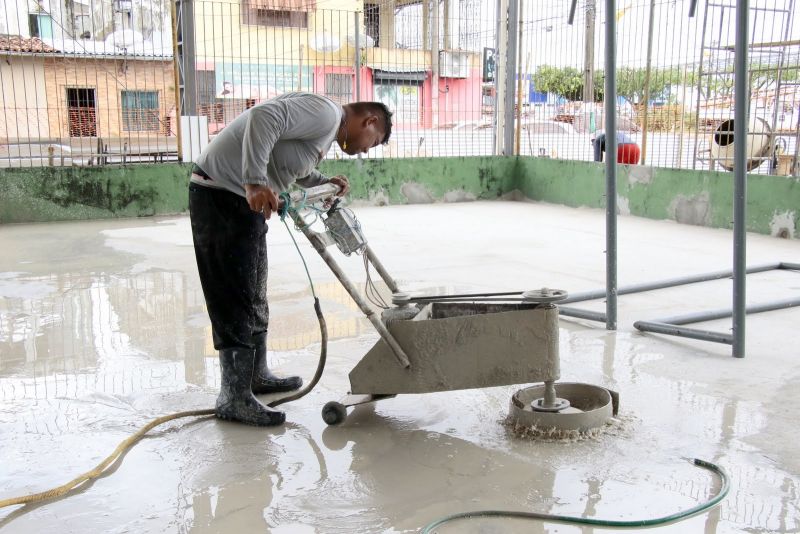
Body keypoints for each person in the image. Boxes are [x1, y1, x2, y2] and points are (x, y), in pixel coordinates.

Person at [189, 92, 393, 426]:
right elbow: (262, 118)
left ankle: (255, 376)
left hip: (242, 200)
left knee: (253, 291)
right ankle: (232, 396)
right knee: (234, 294)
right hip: (221, 194)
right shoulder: (327, 114)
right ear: (369, 121)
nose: (367, 150)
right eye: (375, 140)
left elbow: (287, 163)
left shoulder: (325, 131)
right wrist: (255, 181)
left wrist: (321, 181)